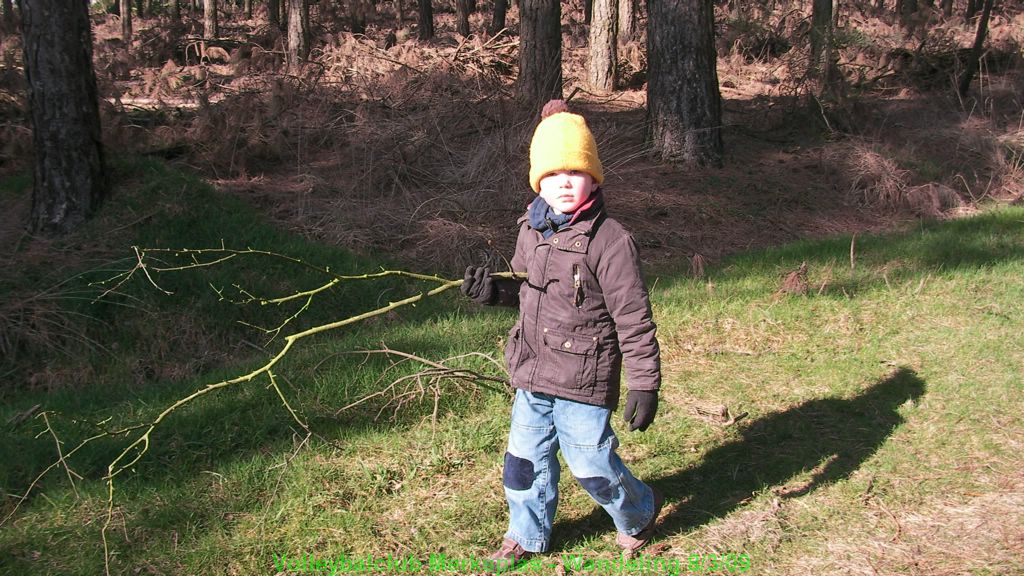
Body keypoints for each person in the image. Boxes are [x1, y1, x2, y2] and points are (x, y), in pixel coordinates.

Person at [461, 99, 664, 563]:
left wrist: (645, 383)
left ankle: (637, 511)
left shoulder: (610, 240)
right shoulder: (530, 230)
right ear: (538, 181)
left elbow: (634, 318)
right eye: (552, 175)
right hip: (533, 373)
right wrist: (491, 291)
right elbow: (523, 288)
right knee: (522, 463)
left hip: (583, 380)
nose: (564, 183)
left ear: (593, 176)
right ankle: (526, 533)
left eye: (575, 172)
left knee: (591, 465)